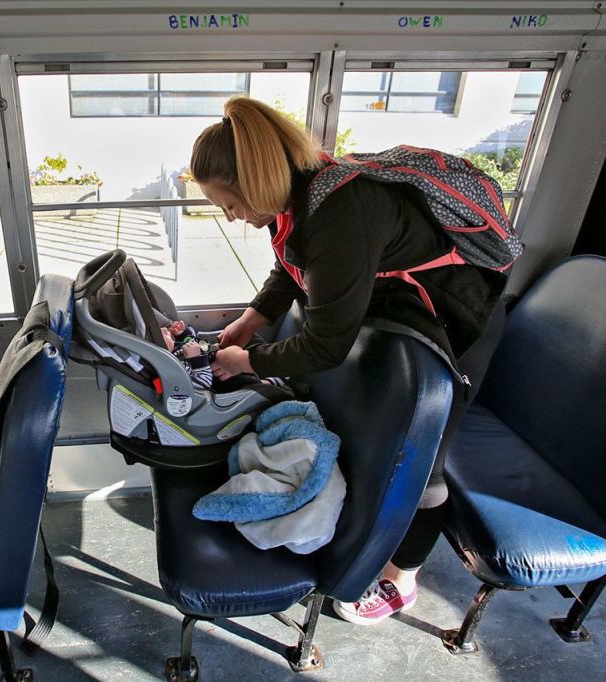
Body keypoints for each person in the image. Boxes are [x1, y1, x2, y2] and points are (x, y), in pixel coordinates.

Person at [188, 96, 506, 624]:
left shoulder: (340, 210)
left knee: (424, 463)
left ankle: (403, 577)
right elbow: (294, 265)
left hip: (458, 312)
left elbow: (324, 347)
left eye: (230, 204)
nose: (233, 217)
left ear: (257, 182)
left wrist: (246, 361)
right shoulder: (294, 194)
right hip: (396, 294)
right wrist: (249, 323)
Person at [160, 319, 288, 391]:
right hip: (218, 379)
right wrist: (196, 361)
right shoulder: (177, 366)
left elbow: (194, 344)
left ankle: (268, 361)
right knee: (244, 382)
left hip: (213, 354)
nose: (165, 330)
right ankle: (270, 383)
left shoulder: (174, 348)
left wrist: (184, 334)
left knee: (248, 339)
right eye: (163, 335)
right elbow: (202, 385)